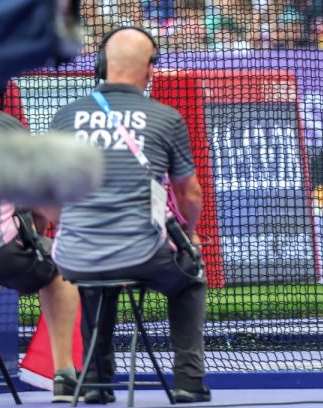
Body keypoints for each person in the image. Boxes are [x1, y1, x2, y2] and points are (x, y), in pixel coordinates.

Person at [50, 27, 210, 404]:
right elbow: (189, 193)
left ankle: (95, 380)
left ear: (101, 65)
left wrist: (71, 225)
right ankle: (188, 380)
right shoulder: (165, 117)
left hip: (76, 256)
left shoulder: (65, 116)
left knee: (95, 276)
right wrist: (189, 233)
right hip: (142, 253)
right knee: (190, 273)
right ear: (150, 69)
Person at [0, 84, 80, 403]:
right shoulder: (6, 126)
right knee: (59, 268)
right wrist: (44, 235)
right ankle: (65, 374)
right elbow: (39, 202)